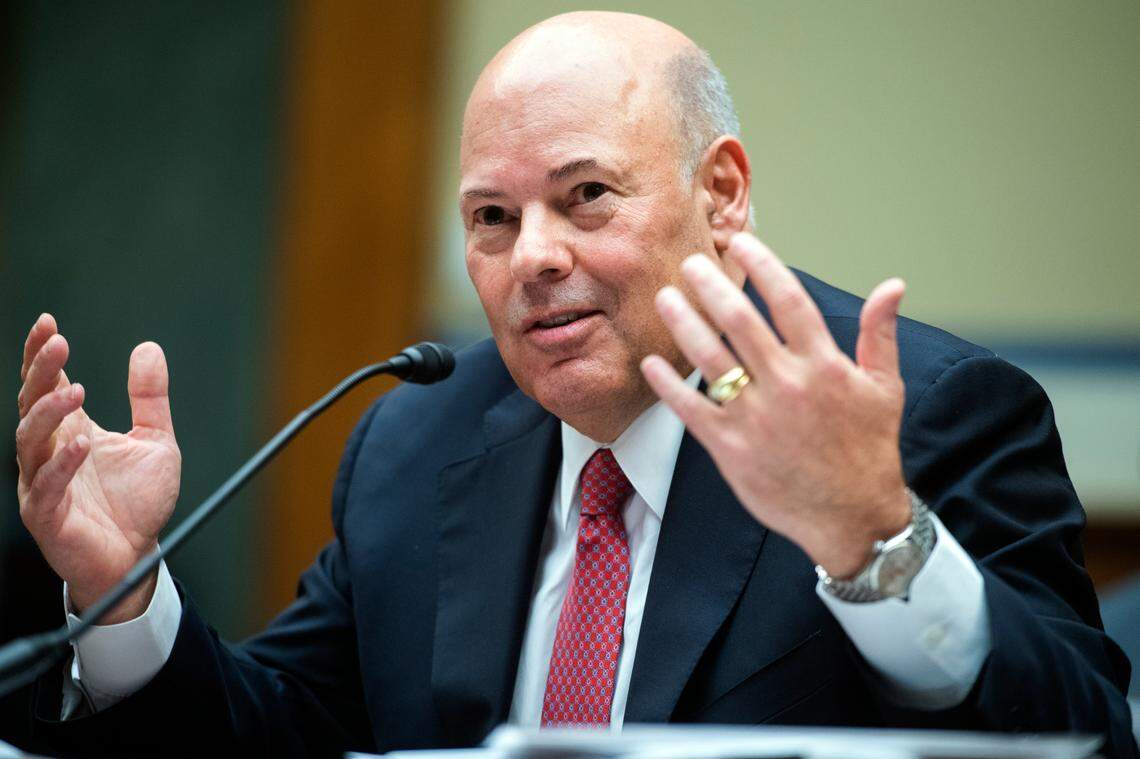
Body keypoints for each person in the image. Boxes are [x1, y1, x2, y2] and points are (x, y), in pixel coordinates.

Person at [11, 11, 1136, 758]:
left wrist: (876, 539)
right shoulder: (417, 445)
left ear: (724, 192)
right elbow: (287, 734)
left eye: (586, 195)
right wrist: (123, 593)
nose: (532, 257)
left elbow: (1085, 735)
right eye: (491, 219)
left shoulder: (920, 413)